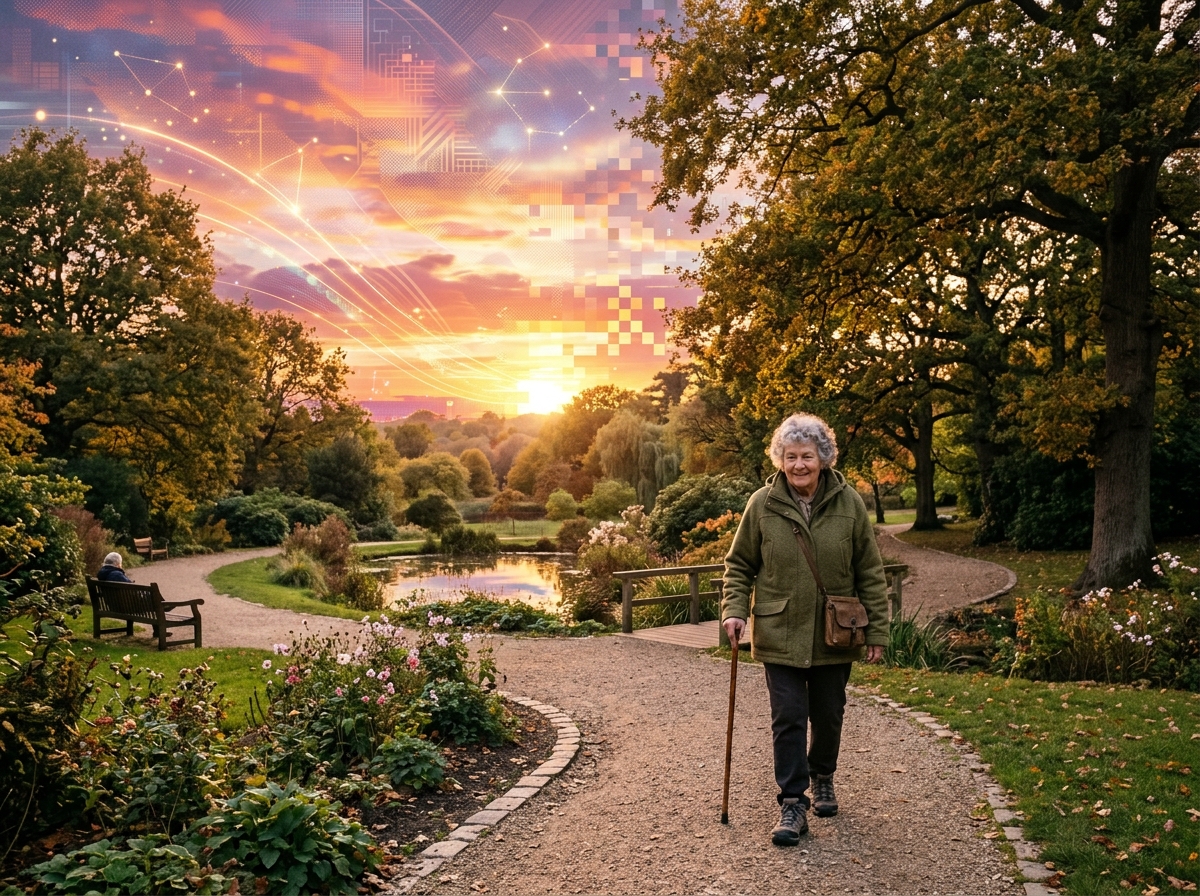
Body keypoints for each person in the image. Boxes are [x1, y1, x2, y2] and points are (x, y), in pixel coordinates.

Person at [721, 412, 888, 846]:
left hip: (836, 632)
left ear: (823, 458)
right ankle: (793, 801)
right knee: (789, 717)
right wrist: (734, 610)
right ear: (780, 459)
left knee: (829, 713)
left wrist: (878, 631)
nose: (799, 465)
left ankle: (823, 775)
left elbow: (869, 570)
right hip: (780, 631)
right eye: (791, 456)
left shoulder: (849, 503)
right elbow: (739, 565)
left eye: (807, 456)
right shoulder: (762, 503)